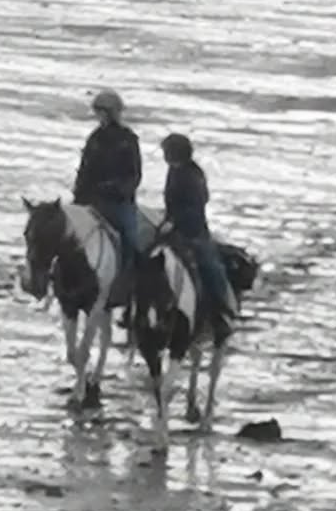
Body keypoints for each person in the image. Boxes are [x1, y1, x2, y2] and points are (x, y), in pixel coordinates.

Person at [161, 132, 234, 335]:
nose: (165, 156)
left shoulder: (194, 175)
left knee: (209, 265)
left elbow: (196, 204)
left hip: (193, 231)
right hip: (172, 228)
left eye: (167, 152)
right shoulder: (173, 171)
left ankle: (222, 310)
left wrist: (175, 221)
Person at [72, 88, 143, 266]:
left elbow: (134, 174)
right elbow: (84, 169)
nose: (99, 116)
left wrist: (117, 190)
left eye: (102, 112)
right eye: (98, 112)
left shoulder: (127, 140)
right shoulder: (94, 139)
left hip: (118, 202)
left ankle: (130, 275)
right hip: (91, 200)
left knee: (129, 239)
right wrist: (79, 195)